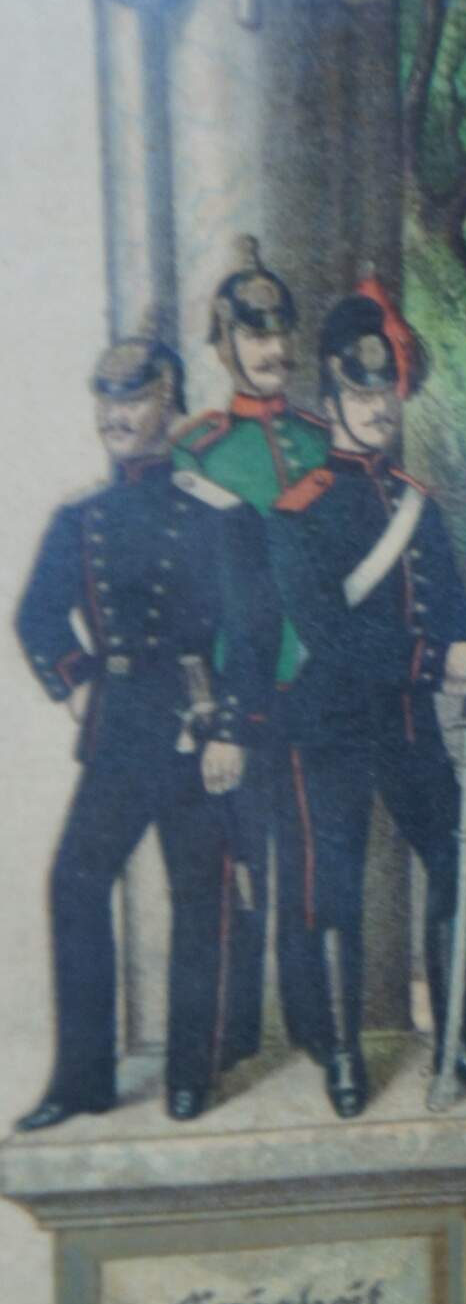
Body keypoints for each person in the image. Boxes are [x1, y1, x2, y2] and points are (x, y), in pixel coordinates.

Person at [15, 336, 277, 1127]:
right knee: (75, 882)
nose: (115, 415)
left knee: (198, 897)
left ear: (170, 403)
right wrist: (75, 681)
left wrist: (233, 730)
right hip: (120, 727)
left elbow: (256, 633)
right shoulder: (81, 517)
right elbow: (34, 614)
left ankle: (192, 1074)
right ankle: (82, 1080)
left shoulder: (218, 515)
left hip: (195, 726)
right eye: (106, 398)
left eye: (132, 398)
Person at [266, 286, 466, 1117]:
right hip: (330, 726)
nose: (379, 407)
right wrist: (436, 659)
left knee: (457, 863)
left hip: (407, 726)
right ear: (330, 395)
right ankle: (343, 1056)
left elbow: (454, 610)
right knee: (336, 885)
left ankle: (456, 1044)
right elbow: (330, 637)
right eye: (361, 390)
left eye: (389, 391)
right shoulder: (296, 514)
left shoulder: (417, 504)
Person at [174, 237, 330, 1063]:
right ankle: (233, 1033)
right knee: (240, 864)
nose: (273, 348)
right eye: (253, 333)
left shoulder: (322, 442)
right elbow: (187, 598)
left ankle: (311, 1023)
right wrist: (209, 706)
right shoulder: (196, 453)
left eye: (280, 330)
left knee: (308, 864)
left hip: (316, 686)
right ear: (223, 345)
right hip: (241, 689)